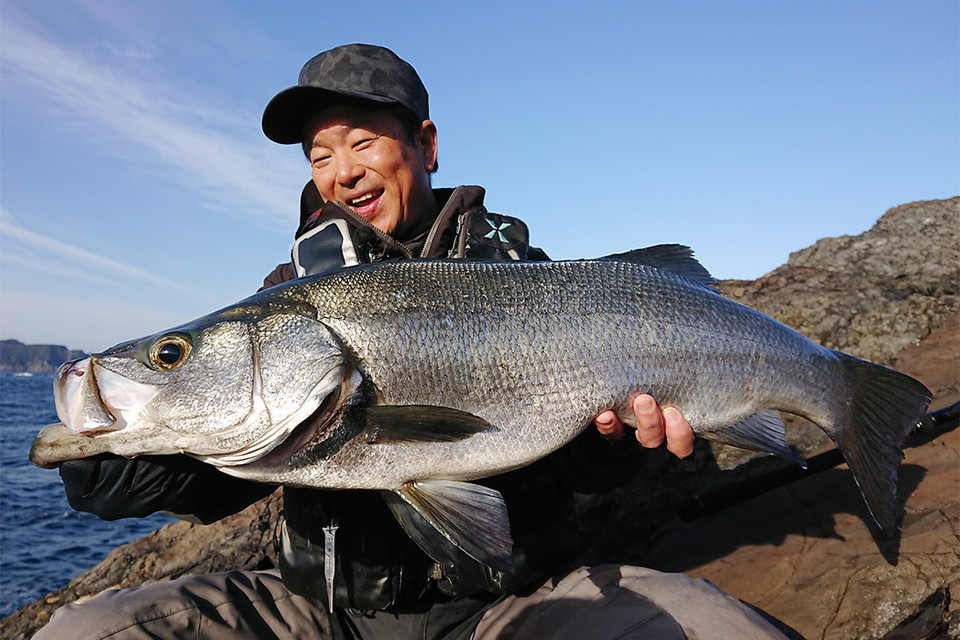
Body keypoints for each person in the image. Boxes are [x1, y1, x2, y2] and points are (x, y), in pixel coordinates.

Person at [36, 44, 795, 639]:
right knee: (84, 629)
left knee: (715, 628)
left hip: (504, 610)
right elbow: (235, 457)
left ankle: (835, 391)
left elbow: (581, 475)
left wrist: (615, 444)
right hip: (317, 615)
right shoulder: (284, 299)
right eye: (319, 155)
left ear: (426, 144)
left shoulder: (522, 279)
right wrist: (138, 458)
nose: (342, 173)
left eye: (363, 141)